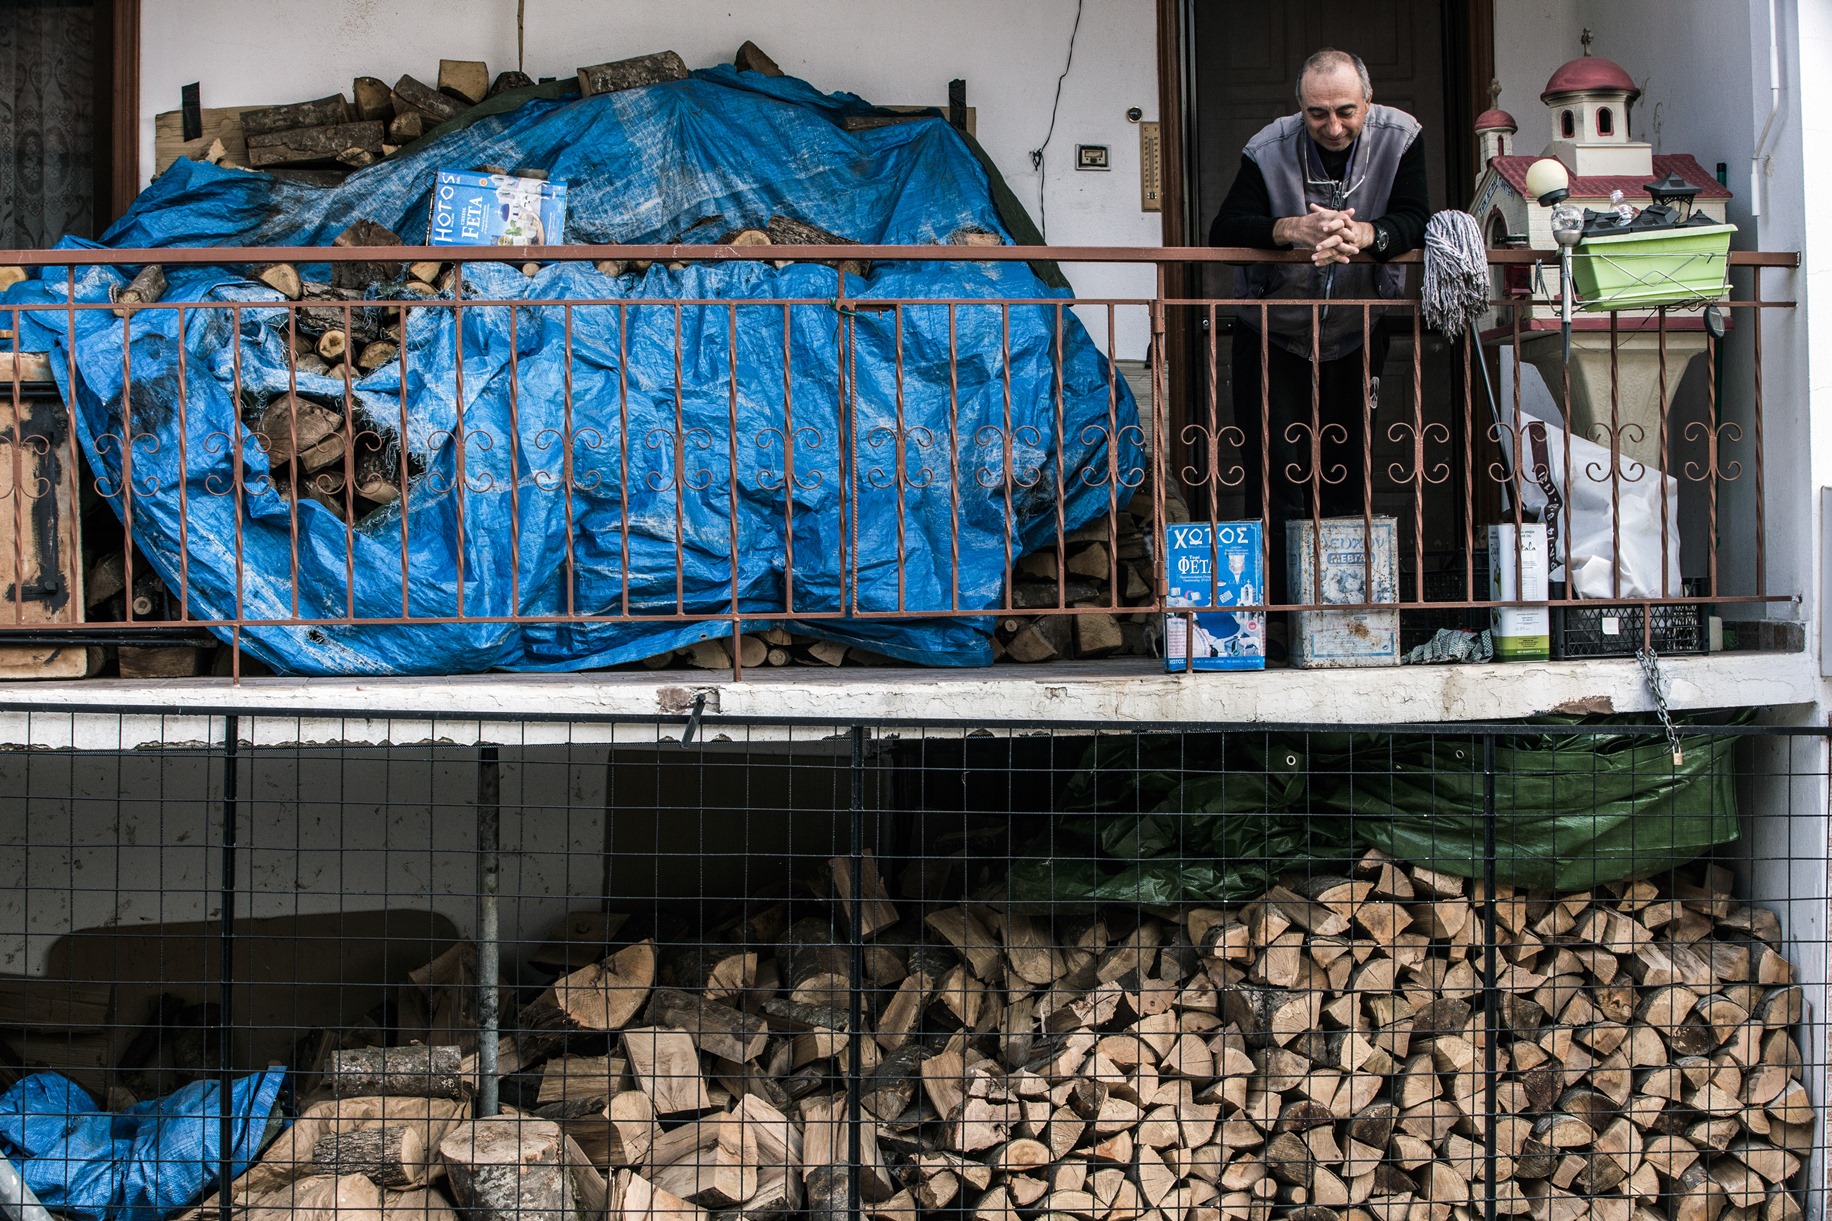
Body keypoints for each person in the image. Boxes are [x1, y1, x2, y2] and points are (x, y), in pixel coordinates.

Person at [1210, 48, 1429, 605]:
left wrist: (1367, 237)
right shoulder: (1266, 148)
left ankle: (1342, 614)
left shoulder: (1402, 137)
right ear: (1300, 108)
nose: (1333, 126)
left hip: (1357, 330)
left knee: (1348, 469)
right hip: (1272, 334)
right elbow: (1226, 229)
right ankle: (1277, 614)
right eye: (1317, 114)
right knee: (1273, 473)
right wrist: (1293, 229)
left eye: (1346, 112)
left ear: (1368, 102)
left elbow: (1414, 217)